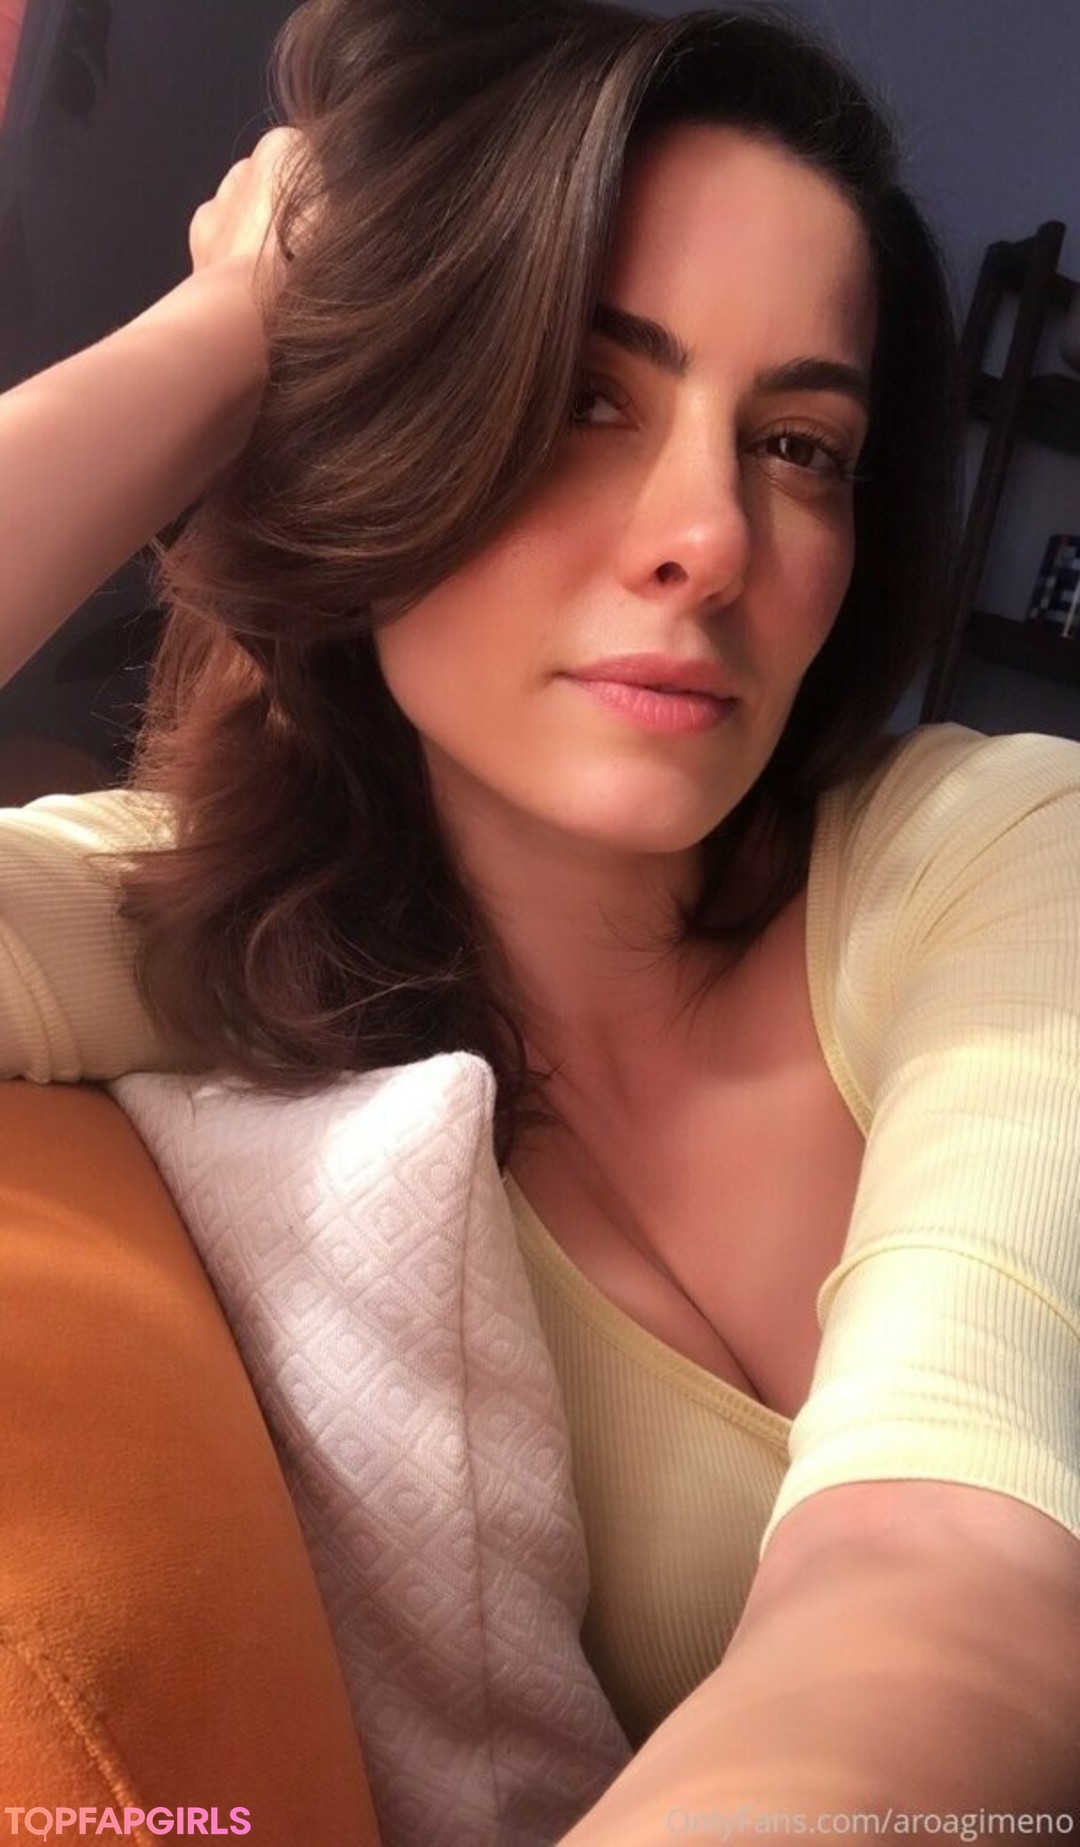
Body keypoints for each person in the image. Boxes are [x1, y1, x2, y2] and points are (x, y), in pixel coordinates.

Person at [2, 0, 1079, 1836]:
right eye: (586, 395)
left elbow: (955, 1577)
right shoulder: (187, 938)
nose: (712, 539)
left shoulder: (999, 851)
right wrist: (229, 329)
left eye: (799, 445)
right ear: (386, 425)